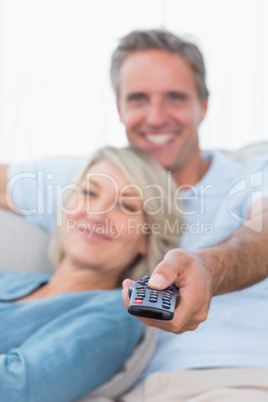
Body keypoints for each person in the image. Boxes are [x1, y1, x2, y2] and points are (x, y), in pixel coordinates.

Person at [1, 29, 268, 399]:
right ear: (120, 108)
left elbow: (263, 234)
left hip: (243, 374)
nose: (156, 117)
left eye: (174, 97)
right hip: (148, 386)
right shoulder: (94, 173)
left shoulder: (251, 175)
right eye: (139, 98)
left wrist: (208, 268)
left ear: (203, 106)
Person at [0, 145, 181, 402]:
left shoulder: (115, 315)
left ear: (147, 240)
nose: (97, 214)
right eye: (88, 192)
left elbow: (16, 388)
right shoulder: (11, 280)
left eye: (126, 206)